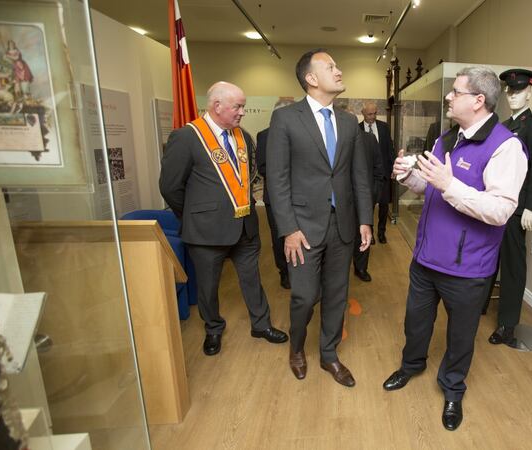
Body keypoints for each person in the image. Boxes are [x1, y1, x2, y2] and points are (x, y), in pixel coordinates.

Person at [382, 67, 528, 431]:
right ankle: (411, 366)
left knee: (460, 336)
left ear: (479, 100)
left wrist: (449, 184)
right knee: (415, 323)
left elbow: (499, 211)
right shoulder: (446, 139)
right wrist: (407, 175)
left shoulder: (507, 147)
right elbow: (428, 188)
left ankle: (452, 389)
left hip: (467, 268)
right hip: (426, 258)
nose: (449, 97)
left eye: (456, 92)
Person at [266, 49, 373, 387]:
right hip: (302, 228)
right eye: (331, 67)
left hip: (342, 225)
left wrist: (365, 219)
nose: (339, 71)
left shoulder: (347, 122)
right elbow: (277, 180)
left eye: (337, 65)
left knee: (337, 294)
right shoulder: (286, 119)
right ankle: (296, 348)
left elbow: (359, 175)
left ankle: (329, 354)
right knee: (303, 295)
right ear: (311, 79)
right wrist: (288, 229)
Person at [159, 81, 288, 356]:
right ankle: (213, 328)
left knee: (252, 279)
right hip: (206, 231)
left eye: (242, 106)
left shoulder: (244, 137)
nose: (242, 112)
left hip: (246, 226)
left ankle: (261, 324)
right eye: (237, 106)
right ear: (217, 106)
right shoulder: (186, 137)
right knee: (207, 286)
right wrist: (195, 216)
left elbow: (248, 177)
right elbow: (170, 186)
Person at [488, 69, 532, 347]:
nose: (513, 96)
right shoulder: (503, 126)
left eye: (518, 91)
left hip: (516, 210)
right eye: (510, 91)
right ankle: (481, 306)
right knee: (490, 260)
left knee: (512, 268)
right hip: (496, 206)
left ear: (530, 91)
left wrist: (531, 207)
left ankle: (507, 325)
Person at [256, 127, 290, 290]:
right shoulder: (264, 135)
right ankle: (284, 271)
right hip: (275, 197)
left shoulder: (304, 130)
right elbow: (262, 167)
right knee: (279, 237)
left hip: (303, 197)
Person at [352, 128, 386, 282]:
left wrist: (373, 195)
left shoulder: (369, 139)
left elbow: (379, 169)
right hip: (338, 200)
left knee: (364, 233)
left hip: (365, 198)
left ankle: (361, 268)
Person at [359, 102, 394, 243]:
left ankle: (381, 232)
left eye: (375, 113)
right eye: (369, 114)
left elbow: (390, 150)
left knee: (384, 205)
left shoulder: (384, 127)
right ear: (363, 113)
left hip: (384, 173)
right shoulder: (357, 129)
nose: (372, 117)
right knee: (369, 205)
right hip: (367, 175)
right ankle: (370, 234)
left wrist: (393, 169)